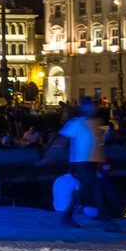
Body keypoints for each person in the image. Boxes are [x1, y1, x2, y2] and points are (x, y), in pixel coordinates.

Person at [45, 96, 119, 231]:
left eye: (95, 105)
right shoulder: (77, 123)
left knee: (85, 191)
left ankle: (67, 216)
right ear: (84, 107)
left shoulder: (96, 122)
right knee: (96, 186)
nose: (94, 108)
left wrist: (104, 164)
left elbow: (98, 145)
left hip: (94, 162)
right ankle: (105, 220)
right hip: (80, 162)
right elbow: (61, 141)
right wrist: (50, 157)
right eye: (91, 105)